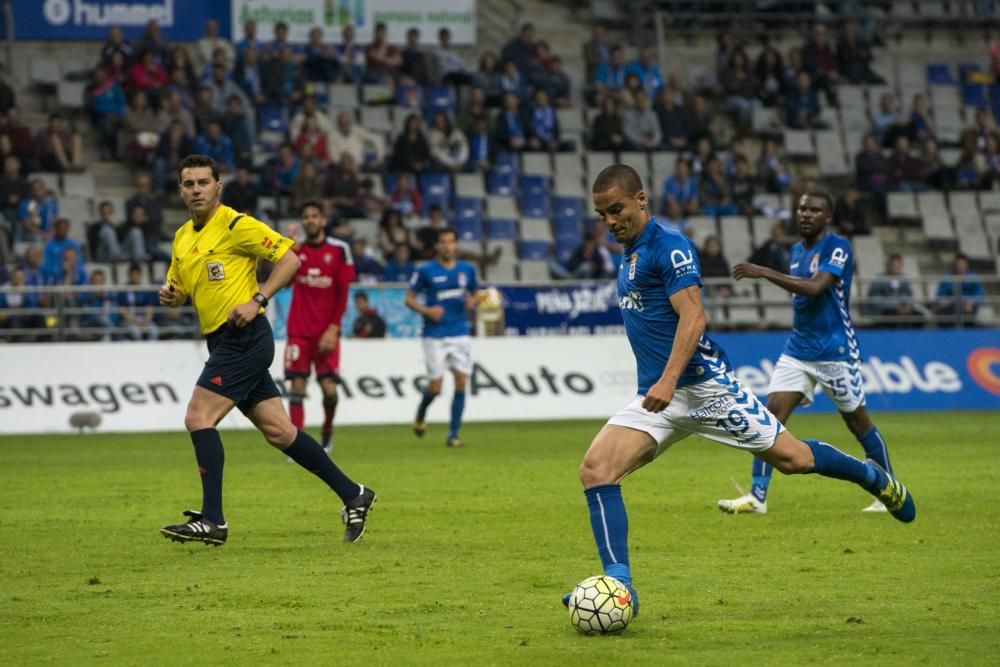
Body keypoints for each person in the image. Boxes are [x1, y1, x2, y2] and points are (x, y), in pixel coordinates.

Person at [563, 167, 915, 616]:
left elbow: (693, 318)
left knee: (794, 460)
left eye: (617, 209)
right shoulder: (629, 254)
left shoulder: (669, 247)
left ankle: (874, 477)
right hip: (658, 398)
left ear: (641, 200)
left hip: (705, 389)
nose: (610, 220)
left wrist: (669, 380)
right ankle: (618, 587)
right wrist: (662, 386)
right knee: (596, 470)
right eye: (602, 214)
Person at [157, 154, 375, 546]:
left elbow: (291, 259)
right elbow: (181, 289)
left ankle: (213, 520)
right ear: (180, 190)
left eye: (203, 182)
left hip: (245, 335)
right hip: (221, 340)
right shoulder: (181, 237)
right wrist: (171, 296)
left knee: (197, 416)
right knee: (279, 431)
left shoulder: (237, 224)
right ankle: (353, 494)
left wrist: (258, 298)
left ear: (218, 186)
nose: (196, 190)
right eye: (188, 184)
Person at [717, 190, 901, 515]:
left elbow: (816, 288)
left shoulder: (838, 247)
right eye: (802, 209)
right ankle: (757, 497)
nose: (805, 214)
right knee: (768, 417)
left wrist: (765, 272)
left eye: (814, 210)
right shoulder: (797, 250)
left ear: (827, 217)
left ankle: (888, 489)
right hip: (798, 349)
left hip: (835, 352)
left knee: (858, 423)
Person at [284, 200, 356, 454]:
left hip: (326, 332)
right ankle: (298, 446)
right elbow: (285, 282)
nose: (311, 220)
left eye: (315, 216)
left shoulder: (339, 250)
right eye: (306, 216)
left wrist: (334, 328)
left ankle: (327, 430)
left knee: (329, 390)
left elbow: (343, 292)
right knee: (297, 387)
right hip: (299, 330)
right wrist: (289, 253)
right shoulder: (296, 250)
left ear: (323, 220)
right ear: (303, 222)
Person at [405, 228, 483, 448]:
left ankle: (453, 435)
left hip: (459, 332)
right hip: (434, 335)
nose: (447, 246)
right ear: (437, 246)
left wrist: (472, 301)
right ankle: (420, 415)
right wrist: (427, 311)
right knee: (436, 387)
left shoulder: (467, 269)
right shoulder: (425, 270)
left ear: (456, 244)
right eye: (443, 242)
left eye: (451, 241)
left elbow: (476, 292)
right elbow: (409, 299)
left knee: (461, 382)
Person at [934, 253, 984, 327]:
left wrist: (972, 301)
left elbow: (980, 294)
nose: (961, 267)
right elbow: (940, 294)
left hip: (966, 306)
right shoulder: (948, 276)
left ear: (967, 265)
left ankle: (968, 336)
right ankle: (947, 337)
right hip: (951, 306)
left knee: (969, 313)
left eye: (963, 265)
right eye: (959, 265)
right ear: (955, 265)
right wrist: (942, 300)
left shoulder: (972, 277)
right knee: (943, 313)